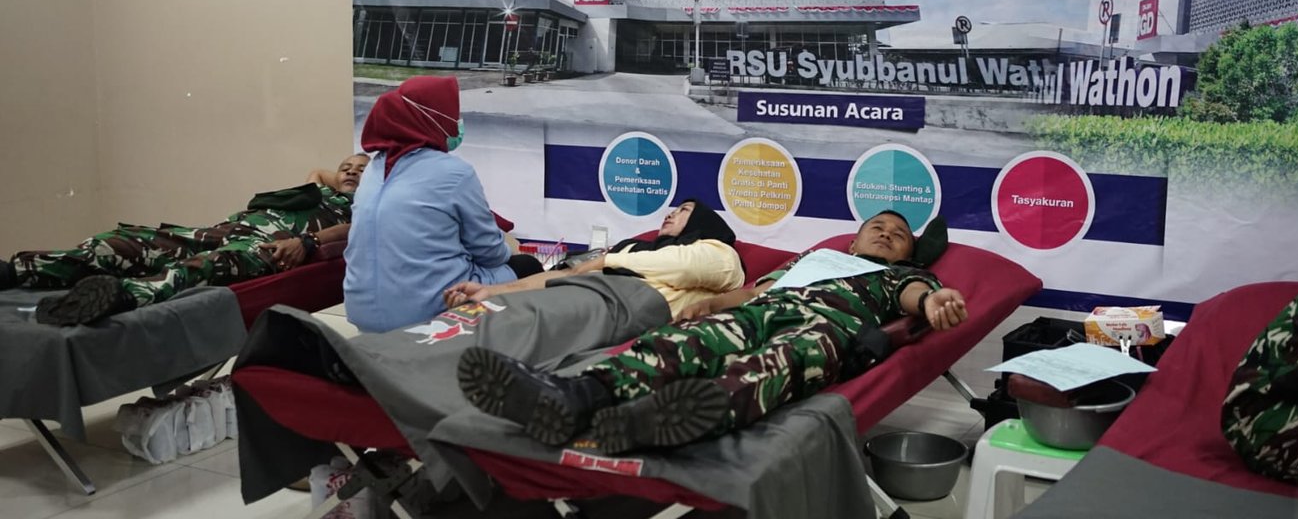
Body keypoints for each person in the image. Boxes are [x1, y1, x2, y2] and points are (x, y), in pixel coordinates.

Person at [457, 210, 968, 454]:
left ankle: (666, 419)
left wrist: (933, 301)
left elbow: (916, 297)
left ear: (908, 253)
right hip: (762, 310)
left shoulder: (896, 276)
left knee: (776, 365)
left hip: (827, 326)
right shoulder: (813, 258)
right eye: (878, 228)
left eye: (899, 235)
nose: (887, 235)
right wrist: (710, 304)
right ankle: (574, 397)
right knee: (679, 345)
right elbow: (755, 291)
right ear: (853, 240)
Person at [1, 154, 370, 326]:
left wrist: (308, 241)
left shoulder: (367, 207)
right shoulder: (315, 191)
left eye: (362, 170)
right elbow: (318, 171)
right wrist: (347, 173)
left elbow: (354, 231)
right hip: (222, 230)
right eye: (346, 168)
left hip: (264, 249)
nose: (351, 172)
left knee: (197, 269)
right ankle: (19, 271)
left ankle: (120, 296)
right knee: (121, 243)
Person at [344, 76, 540, 333]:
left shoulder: (373, 169)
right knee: (529, 267)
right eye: (453, 114)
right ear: (434, 117)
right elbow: (490, 252)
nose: (457, 123)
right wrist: (508, 249)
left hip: (360, 310)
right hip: (426, 311)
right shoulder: (454, 172)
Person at [444, 198, 745, 319]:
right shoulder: (634, 248)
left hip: (616, 308)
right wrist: (492, 291)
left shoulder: (721, 253)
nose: (670, 214)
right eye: (673, 209)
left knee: (510, 323)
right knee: (490, 313)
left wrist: (605, 261)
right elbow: (565, 276)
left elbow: (682, 267)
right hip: (582, 295)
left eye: (683, 211)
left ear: (703, 223)